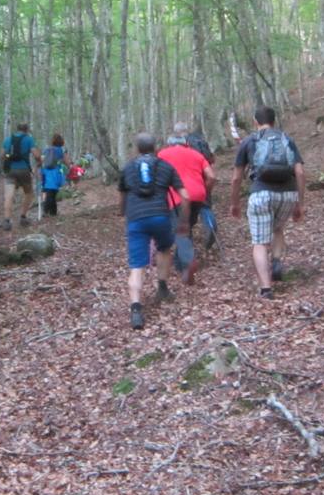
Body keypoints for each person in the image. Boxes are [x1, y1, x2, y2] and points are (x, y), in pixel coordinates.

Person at [230, 105, 306, 299]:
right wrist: (300, 203)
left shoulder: (249, 141)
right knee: (277, 228)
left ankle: (266, 288)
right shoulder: (286, 139)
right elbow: (300, 172)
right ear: (274, 120)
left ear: (256, 122)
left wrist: (235, 202)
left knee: (260, 243)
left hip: (261, 193)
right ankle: (277, 260)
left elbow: (236, 178)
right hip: (288, 193)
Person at [119, 132, 191, 330]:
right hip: (160, 216)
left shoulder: (127, 168)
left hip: (136, 219)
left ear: (136, 149)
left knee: (136, 265)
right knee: (164, 248)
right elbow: (185, 196)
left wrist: (122, 213)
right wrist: (184, 221)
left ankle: (135, 308)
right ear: (156, 147)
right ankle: (162, 287)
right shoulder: (166, 167)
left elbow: (123, 197)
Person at [158, 123, 216, 285]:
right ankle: (181, 265)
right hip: (198, 195)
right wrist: (206, 191)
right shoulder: (196, 154)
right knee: (186, 227)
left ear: (170, 142)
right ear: (186, 143)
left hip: (177, 196)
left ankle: (188, 261)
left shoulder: (163, 154)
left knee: (179, 231)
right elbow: (211, 176)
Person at [1, 122, 39, 229]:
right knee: (29, 193)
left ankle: (7, 221)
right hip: (24, 170)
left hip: (10, 171)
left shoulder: (8, 140)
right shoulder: (29, 139)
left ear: (17, 129)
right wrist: (39, 160)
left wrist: (8, 161)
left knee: (9, 196)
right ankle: (23, 217)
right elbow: (36, 155)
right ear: (27, 130)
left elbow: (2, 155)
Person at [39, 133, 69, 216]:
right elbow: (67, 162)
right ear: (61, 141)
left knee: (49, 191)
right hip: (55, 172)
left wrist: (39, 171)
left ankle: (53, 212)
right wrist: (70, 167)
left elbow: (41, 160)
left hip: (45, 172)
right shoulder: (61, 150)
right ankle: (46, 211)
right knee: (52, 192)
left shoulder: (47, 149)